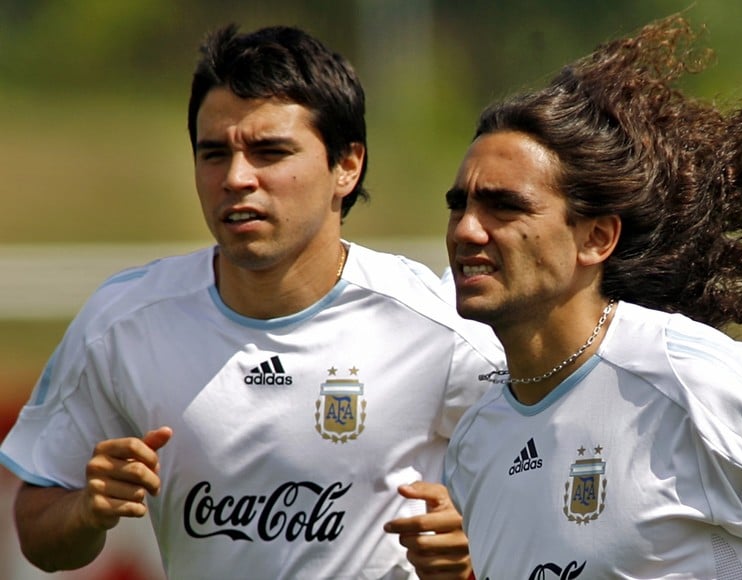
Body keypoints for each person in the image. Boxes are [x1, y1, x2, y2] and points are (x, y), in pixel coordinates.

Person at [0, 24, 503, 579]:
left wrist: (472, 551)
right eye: (214, 154)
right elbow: (37, 532)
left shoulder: (442, 328)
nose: (237, 178)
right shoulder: (123, 322)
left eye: (269, 151)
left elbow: (555, 506)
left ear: (347, 165)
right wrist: (87, 511)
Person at [442, 15, 742, 580]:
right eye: (459, 204)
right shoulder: (475, 442)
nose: (467, 230)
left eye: (504, 206)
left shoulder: (693, 382)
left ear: (595, 238)